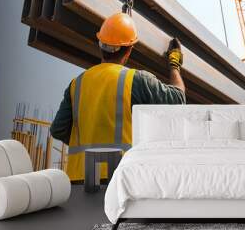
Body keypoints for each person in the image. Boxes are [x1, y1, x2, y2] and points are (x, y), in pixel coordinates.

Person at [50, 13, 186, 181]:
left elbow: (58, 130)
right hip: (120, 180)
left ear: (100, 45)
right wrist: (174, 64)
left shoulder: (76, 84)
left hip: (79, 182)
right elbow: (178, 99)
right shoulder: (137, 81)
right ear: (128, 50)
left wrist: (90, 141)